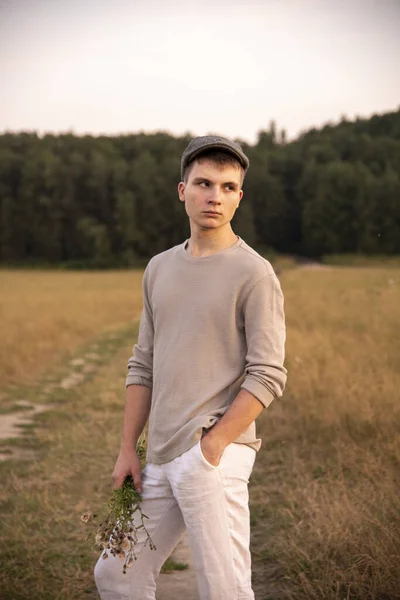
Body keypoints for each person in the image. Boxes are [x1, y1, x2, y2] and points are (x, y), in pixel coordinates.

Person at [94, 135, 287, 600]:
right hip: (159, 454)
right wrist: (128, 450)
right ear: (182, 190)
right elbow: (143, 364)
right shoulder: (159, 268)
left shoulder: (254, 274)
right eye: (203, 183)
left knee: (224, 589)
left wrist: (213, 447)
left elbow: (268, 373)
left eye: (226, 186)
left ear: (239, 196)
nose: (213, 196)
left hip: (212, 453)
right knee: (117, 574)